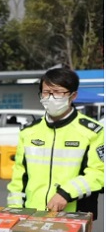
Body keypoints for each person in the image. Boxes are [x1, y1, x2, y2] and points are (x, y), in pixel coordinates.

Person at [7, 67, 104, 218]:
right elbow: (18, 179)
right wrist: (14, 211)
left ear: (73, 95)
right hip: (31, 215)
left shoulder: (93, 132)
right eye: (46, 92)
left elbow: (99, 173)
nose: (50, 98)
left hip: (73, 216)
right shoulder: (29, 132)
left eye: (58, 92)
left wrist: (66, 193)